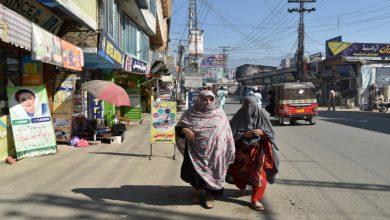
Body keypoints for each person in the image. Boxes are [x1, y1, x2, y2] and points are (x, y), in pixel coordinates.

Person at [175, 90, 235, 209]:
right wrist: (184, 129)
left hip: (216, 151)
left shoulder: (220, 113)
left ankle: (209, 195)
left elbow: (226, 132)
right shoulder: (190, 112)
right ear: (199, 100)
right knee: (195, 173)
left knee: (214, 171)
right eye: (205, 99)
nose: (208, 102)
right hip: (195, 151)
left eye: (211, 99)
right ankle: (197, 190)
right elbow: (179, 127)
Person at [229, 96, 279, 211]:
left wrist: (262, 132)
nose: (249, 108)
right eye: (246, 105)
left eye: (251, 105)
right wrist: (242, 135)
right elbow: (230, 132)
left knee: (259, 175)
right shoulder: (239, 116)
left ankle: (255, 199)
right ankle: (242, 188)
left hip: (258, 152)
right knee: (238, 171)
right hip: (241, 152)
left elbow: (271, 133)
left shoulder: (261, 116)